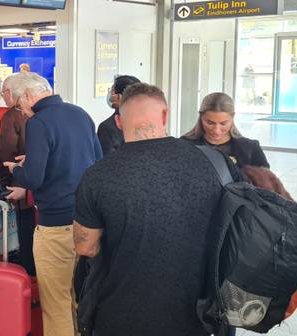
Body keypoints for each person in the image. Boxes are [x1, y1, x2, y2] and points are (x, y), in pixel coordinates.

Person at [73, 83, 243, 336]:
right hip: (199, 316)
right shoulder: (216, 163)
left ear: (119, 122)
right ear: (165, 115)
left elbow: (86, 247)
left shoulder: (97, 175)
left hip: (121, 317)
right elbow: (237, 225)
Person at [3, 72, 102, 336]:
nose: (22, 113)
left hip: (54, 225)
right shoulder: (80, 113)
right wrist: (36, 157)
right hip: (87, 221)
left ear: (26, 96)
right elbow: (96, 162)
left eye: (18, 106)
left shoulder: (39, 122)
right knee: (78, 296)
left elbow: (33, 179)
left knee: (55, 301)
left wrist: (16, 169)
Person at [0, 74, 36, 277]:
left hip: (21, 184)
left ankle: (28, 275)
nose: (2, 96)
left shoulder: (12, 116)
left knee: (26, 234)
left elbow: (6, 151)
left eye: (3, 92)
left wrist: (5, 176)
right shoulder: (41, 113)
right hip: (42, 190)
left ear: (11, 93)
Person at [182, 92, 269, 168]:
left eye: (223, 123)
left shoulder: (250, 148)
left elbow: (265, 184)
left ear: (232, 117)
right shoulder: (183, 145)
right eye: (210, 123)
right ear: (201, 117)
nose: (216, 130)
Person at [97, 75, 141, 156]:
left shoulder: (106, 128)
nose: (110, 96)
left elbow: (106, 163)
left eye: (112, 91)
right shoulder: (147, 122)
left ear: (119, 97)